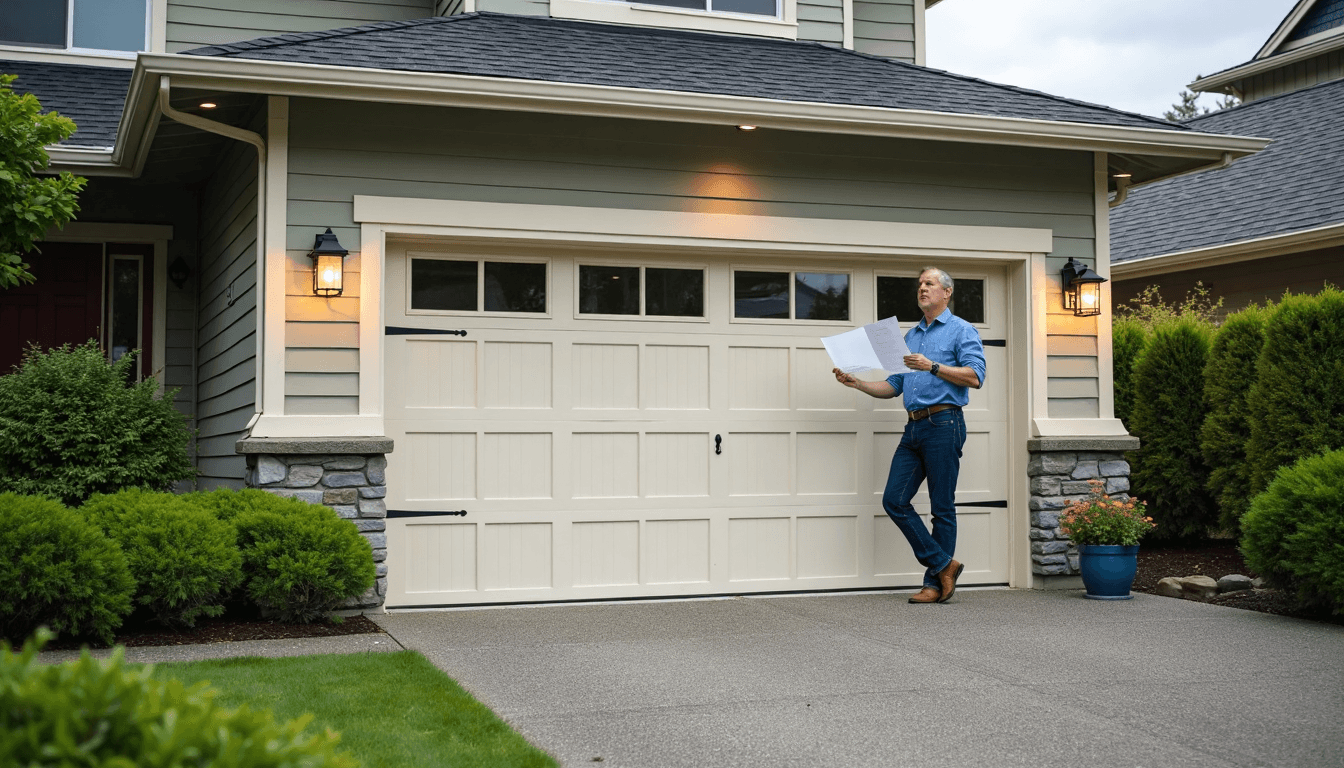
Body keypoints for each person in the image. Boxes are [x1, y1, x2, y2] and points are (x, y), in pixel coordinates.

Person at [833, 267, 986, 604]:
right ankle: (944, 564)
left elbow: (976, 376)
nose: (922, 288)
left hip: (944, 423)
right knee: (894, 500)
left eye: (929, 283)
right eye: (920, 284)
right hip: (913, 427)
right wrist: (857, 383)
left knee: (942, 507)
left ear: (947, 292)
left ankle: (933, 584)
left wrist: (933, 366)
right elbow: (894, 385)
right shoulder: (909, 336)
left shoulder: (962, 330)